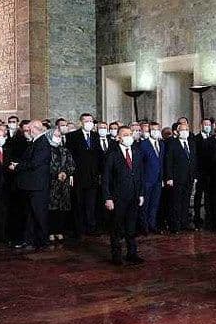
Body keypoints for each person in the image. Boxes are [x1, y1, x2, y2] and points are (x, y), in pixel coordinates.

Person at [102, 126, 145, 266]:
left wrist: (141, 194)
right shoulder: (112, 155)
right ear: (118, 137)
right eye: (125, 134)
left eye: (130, 134)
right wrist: (107, 198)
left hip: (133, 196)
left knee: (131, 227)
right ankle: (116, 255)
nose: (129, 137)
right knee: (116, 227)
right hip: (117, 197)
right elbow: (106, 178)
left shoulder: (136, 152)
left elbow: (139, 175)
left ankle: (132, 253)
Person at [11, 120, 51, 251]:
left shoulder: (42, 143)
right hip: (31, 185)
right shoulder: (36, 142)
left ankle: (42, 241)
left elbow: (34, 163)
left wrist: (17, 166)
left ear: (35, 129)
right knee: (30, 215)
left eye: (29, 129)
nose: (27, 131)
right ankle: (30, 240)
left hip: (37, 186)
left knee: (39, 215)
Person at [66, 114, 101, 236]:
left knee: (91, 204)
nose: (89, 123)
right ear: (81, 122)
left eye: (91, 121)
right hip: (78, 176)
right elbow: (69, 156)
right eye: (86, 121)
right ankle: (79, 229)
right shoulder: (72, 136)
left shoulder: (96, 136)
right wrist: (70, 173)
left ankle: (91, 227)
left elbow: (99, 156)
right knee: (78, 203)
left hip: (92, 176)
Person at [163, 123, 197, 232]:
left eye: (187, 129)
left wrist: (194, 175)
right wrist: (169, 177)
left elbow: (193, 161)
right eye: (183, 130)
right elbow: (168, 161)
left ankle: (184, 223)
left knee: (186, 201)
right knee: (175, 202)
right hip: (176, 178)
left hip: (189, 177)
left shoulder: (191, 143)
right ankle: (175, 225)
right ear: (177, 132)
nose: (185, 131)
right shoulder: (172, 143)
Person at [47, 128, 76, 242]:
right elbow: (45, 165)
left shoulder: (64, 150)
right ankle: (50, 231)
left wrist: (66, 172)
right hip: (51, 184)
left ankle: (59, 230)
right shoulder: (46, 150)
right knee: (51, 208)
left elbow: (72, 164)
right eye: (55, 135)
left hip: (64, 184)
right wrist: (56, 174)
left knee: (62, 209)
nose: (58, 137)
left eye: (59, 135)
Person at [139, 122, 164, 234]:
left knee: (155, 203)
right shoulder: (143, 144)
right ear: (149, 131)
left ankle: (152, 224)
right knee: (145, 204)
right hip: (147, 179)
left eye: (157, 129)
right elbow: (140, 163)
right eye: (152, 129)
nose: (155, 131)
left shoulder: (161, 144)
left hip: (158, 179)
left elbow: (162, 161)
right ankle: (144, 227)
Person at [193, 118, 214, 228]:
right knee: (198, 194)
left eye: (209, 124)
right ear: (201, 125)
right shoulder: (196, 138)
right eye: (205, 124)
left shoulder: (213, 138)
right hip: (200, 172)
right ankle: (196, 216)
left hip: (210, 172)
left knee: (209, 195)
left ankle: (209, 215)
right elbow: (195, 157)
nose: (207, 126)